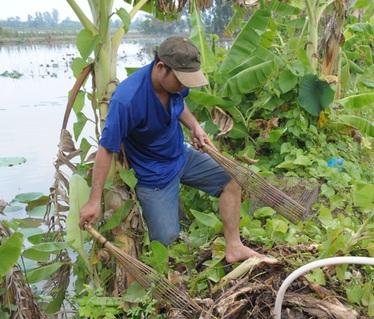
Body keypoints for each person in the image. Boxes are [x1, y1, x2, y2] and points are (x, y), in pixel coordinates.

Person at [79, 35, 262, 263]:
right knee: (166, 239)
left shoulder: (175, 85)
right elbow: (106, 149)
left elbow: (180, 102)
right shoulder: (128, 100)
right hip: (154, 176)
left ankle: (234, 247)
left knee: (232, 179)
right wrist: (94, 200)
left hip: (181, 155)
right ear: (161, 67)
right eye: (180, 80)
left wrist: (195, 126)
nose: (184, 86)